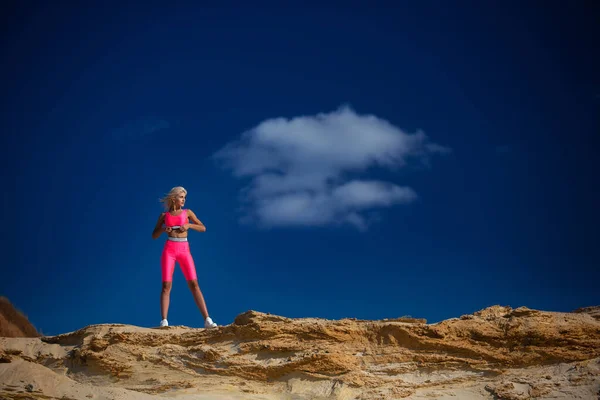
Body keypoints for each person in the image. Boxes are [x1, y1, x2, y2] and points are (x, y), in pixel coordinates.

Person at [152, 186, 217, 329]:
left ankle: (207, 320)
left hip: (184, 250)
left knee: (194, 284)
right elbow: (154, 235)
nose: (183, 200)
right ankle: (164, 321)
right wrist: (164, 229)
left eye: (184, 197)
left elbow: (203, 227)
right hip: (169, 250)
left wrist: (188, 225)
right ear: (174, 198)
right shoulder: (164, 216)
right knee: (166, 285)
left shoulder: (188, 212)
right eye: (181, 197)